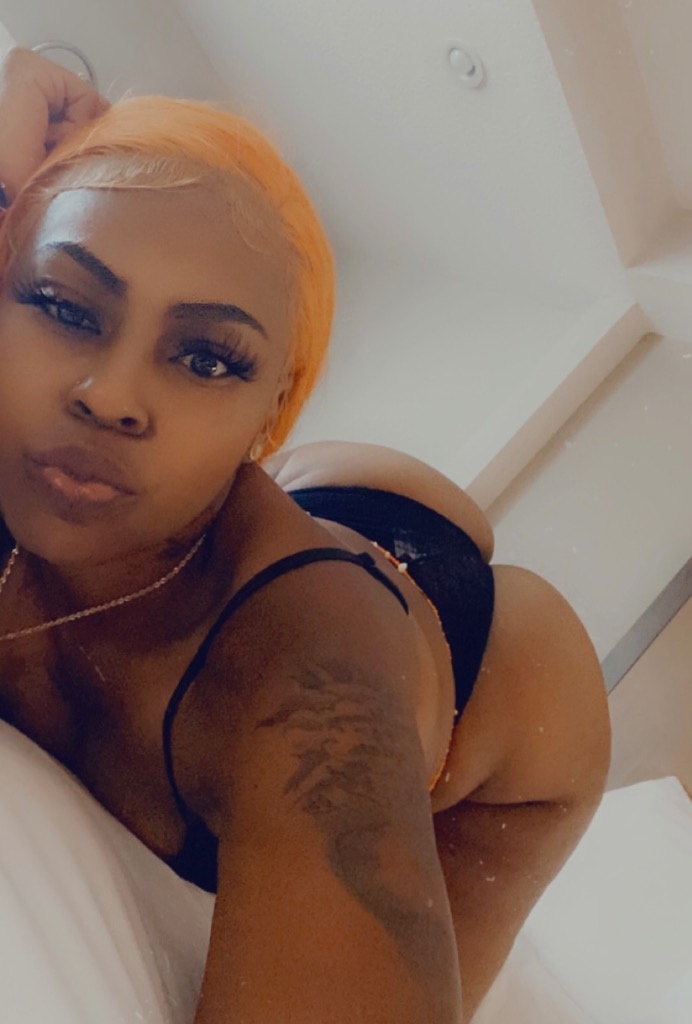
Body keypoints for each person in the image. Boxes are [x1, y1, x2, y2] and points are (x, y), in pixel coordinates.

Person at [0, 46, 610, 1024]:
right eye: (65, 305)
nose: (109, 395)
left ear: (267, 414)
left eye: (207, 358)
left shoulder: (307, 684)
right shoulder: (42, 447)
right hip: (293, 494)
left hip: (498, 671)